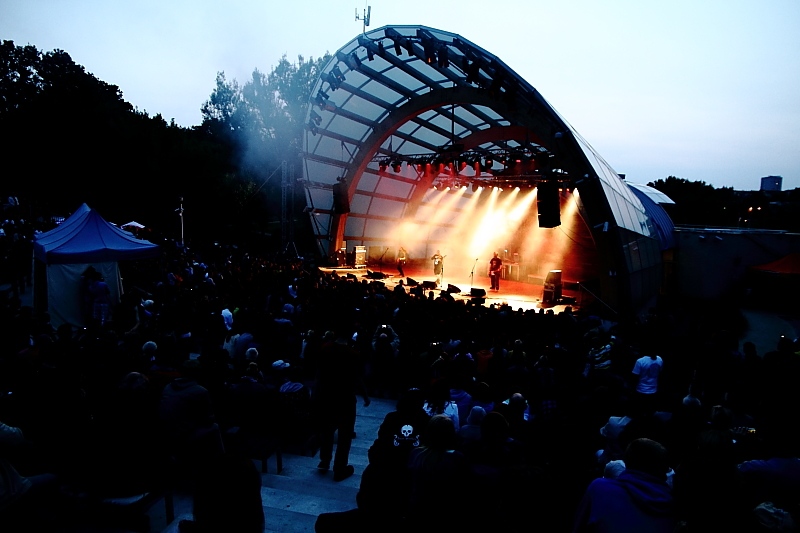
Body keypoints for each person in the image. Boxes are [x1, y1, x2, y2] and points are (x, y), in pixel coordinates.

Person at [313, 329, 371, 482]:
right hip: (345, 399)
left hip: (326, 397)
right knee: (345, 436)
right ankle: (339, 468)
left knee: (327, 431)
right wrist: (365, 395)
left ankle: (324, 461)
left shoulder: (325, 349)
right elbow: (358, 377)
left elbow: (318, 374)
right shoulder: (353, 354)